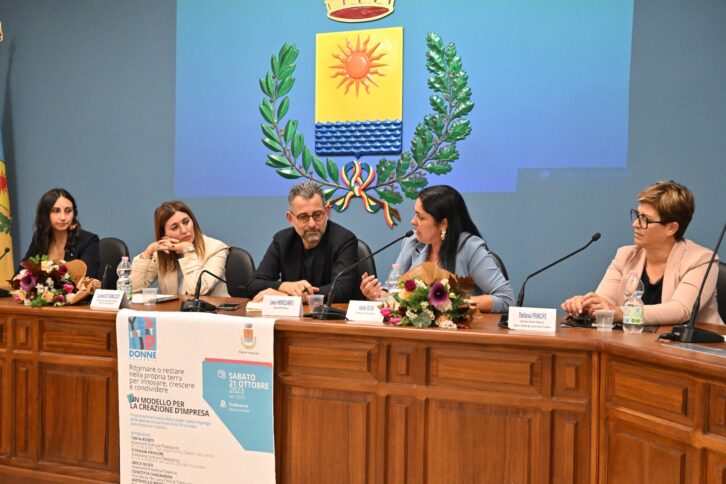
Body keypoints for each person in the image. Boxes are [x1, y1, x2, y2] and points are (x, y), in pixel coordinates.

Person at [561, 180, 722, 325]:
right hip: (636, 343)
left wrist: (621, 313)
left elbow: (681, 310)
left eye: (645, 219)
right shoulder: (625, 256)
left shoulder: (701, 260)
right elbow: (605, 302)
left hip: (692, 347)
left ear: (671, 228)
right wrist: (586, 306)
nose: (636, 224)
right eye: (637, 215)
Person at [360, 185, 514, 313]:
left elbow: (506, 299)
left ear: (443, 224)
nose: (413, 221)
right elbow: (392, 293)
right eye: (415, 214)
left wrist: (454, 302)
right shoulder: (412, 243)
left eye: (421, 217)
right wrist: (377, 295)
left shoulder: (469, 248)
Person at [248, 181, 358, 303]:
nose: (312, 224)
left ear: (327, 212)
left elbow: (341, 290)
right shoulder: (282, 241)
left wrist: (289, 297)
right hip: (292, 314)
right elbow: (253, 284)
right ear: (290, 218)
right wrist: (284, 286)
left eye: (317, 215)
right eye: (303, 217)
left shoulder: (344, 240)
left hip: (331, 314)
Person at [131, 201, 229, 296]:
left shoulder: (216, 249)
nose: (184, 230)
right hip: (175, 307)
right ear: (164, 234)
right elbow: (133, 289)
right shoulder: (163, 254)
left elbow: (198, 290)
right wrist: (148, 252)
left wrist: (188, 250)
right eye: (174, 228)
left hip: (211, 307)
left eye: (186, 222)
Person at [18, 188, 100, 279]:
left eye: (68, 211)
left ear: (74, 214)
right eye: (56, 211)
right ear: (45, 214)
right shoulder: (40, 238)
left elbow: (86, 279)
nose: (63, 217)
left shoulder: (88, 241)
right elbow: (21, 271)